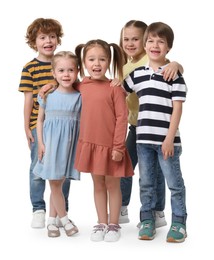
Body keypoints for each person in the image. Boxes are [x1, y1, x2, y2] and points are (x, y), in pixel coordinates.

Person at [124, 21, 187, 243]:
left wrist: (169, 139)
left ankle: (179, 222)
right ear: (145, 44)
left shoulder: (173, 75)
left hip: (167, 141)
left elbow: (177, 109)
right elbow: (118, 91)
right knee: (146, 183)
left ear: (168, 47)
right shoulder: (137, 75)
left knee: (174, 184)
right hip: (142, 140)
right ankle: (147, 220)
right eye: (150, 41)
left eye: (161, 42)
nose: (155, 45)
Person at [74, 39, 134, 242]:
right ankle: (101, 221)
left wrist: (118, 146)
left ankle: (114, 224)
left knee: (112, 185)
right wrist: (48, 85)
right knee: (97, 184)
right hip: (90, 145)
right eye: (91, 59)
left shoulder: (114, 88)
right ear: (84, 62)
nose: (96, 63)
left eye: (102, 59)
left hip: (110, 146)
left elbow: (122, 118)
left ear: (109, 61)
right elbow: (62, 82)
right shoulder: (81, 85)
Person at [18, 18, 71, 229]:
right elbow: (28, 100)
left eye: (52, 36)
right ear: (34, 42)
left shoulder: (63, 64)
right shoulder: (30, 68)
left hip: (63, 126)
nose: (48, 41)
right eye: (42, 37)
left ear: (58, 39)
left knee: (62, 170)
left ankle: (60, 211)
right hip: (38, 125)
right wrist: (26, 128)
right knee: (38, 168)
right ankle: (38, 208)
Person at [33, 51, 81, 237]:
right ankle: (65, 220)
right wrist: (41, 144)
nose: (66, 74)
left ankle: (52, 222)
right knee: (54, 183)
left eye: (70, 70)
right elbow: (39, 121)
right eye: (61, 70)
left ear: (77, 72)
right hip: (51, 145)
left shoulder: (79, 96)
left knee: (58, 183)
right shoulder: (47, 95)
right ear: (54, 73)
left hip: (69, 147)